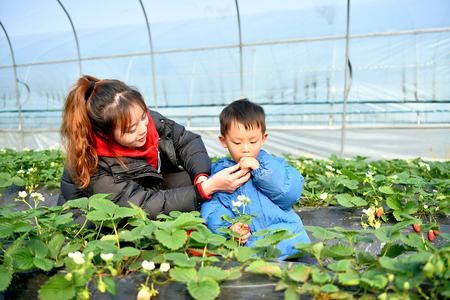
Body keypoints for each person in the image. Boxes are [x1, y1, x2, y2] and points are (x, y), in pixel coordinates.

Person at [58, 75, 250, 220]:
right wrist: (203, 190)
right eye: (131, 129)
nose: (143, 129)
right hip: (99, 219)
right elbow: (140, 205)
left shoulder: (145, 120)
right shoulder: (93, 164)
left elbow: (186, 141)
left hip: (148, 187)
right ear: (107, 135)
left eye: (143, 117)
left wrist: (201, 177)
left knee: (203, 179)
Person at [201, 99, 311, 260]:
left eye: (253, 141)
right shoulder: (221, 175)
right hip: (251, 251)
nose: (246, 148)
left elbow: (289, 194)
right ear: (223, 141)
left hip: (290, 244)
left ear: (263, 138)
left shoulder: (275, 165)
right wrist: (229, 227)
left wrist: (261, 171)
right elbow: (212, 208)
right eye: (237, 142)